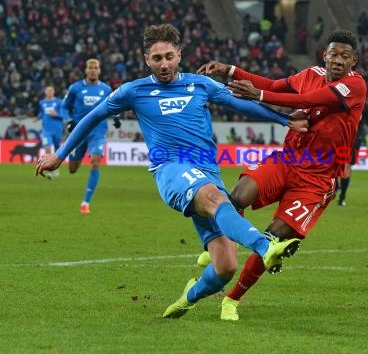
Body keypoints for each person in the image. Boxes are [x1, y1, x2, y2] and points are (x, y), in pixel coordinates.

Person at [36, 23, 304, 319]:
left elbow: (241, 105)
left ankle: (188, 297)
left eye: (168, 56)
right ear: (146, 60)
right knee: (216, 198)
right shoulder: (133, 91)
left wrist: (283, 120)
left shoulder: (200, 85)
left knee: (225, 267)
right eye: (156, 58)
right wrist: (60, 155)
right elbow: (93, 116)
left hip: (206, 171)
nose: (163, 64)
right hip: (171, 169)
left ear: (179, 55)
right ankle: (265, 247)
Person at [197, 29, 366, 320]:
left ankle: (231, 300)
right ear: (324, 55)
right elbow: (276, 84)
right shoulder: (310, 73)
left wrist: (260, 96)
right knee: (238, 196)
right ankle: (222, 245)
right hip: (288, 160)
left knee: (272, 239)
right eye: (334, 54)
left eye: (345, 56)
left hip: (317, 179)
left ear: (354, 61)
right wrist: (230, 71)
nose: (338, 60)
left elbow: (314, 99)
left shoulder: (355, 86)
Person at [63, 58, 118, 214]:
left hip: (98, 131)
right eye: (90, 67)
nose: (93, 70)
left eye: (96, 67)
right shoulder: (75, 88)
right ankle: (76, 158)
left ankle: (85, 202)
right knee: (72, 169)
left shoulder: (106, 89)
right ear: (86, 70)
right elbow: (64, 107)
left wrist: (116, 119)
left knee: (95, 162)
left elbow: (113, 106)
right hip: (79, 131)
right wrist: (68, 120)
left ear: (99, 70)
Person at [337, 101, 368, 206]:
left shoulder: (365, 105)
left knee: (347, 167)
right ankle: (336, 187)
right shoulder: (342, 99)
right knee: (336, 165)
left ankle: (342, 196)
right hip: (337, 137)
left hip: (354, 140)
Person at [36, 85, 66, 179]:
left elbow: (63, 115)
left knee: (57, 151)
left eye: (51, 90)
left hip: (57, 129)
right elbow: (42, 113)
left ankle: (55, 169)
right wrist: (37, 117)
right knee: (47, 149)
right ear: (45, 92)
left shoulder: (59, 102)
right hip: (46, 130)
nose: (49, 92)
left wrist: (56, 114)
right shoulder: (42, 102)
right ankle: (48, 170)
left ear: (53, 92)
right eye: (47, 90)